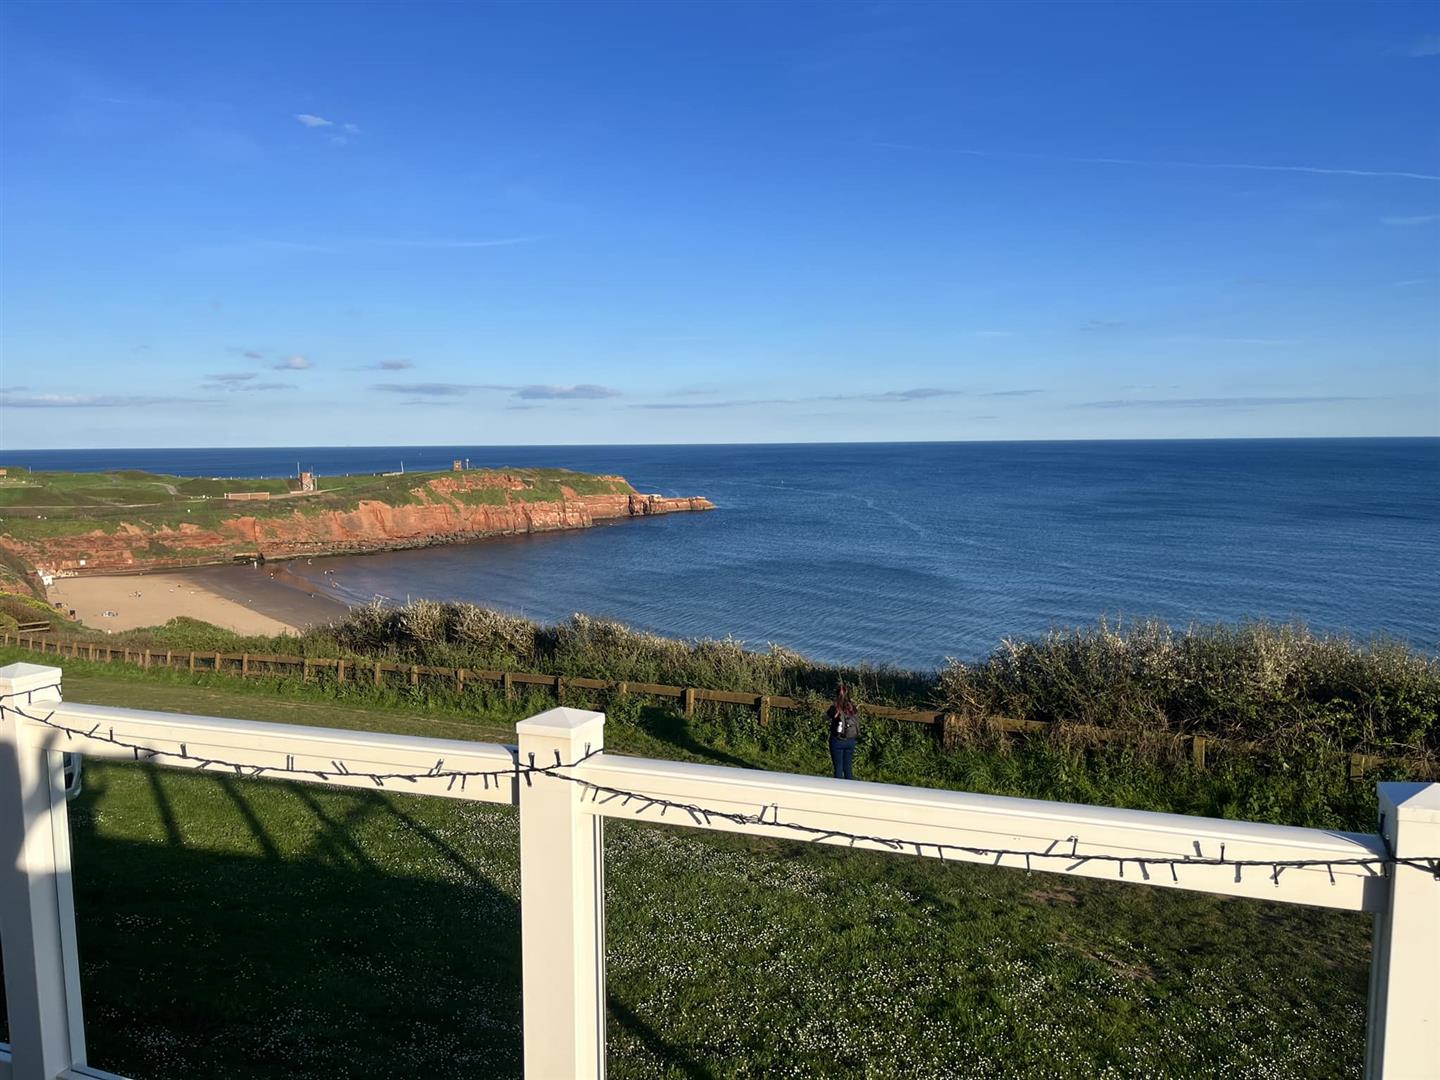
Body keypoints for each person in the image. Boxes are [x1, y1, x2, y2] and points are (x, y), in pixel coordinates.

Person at [826, 681, 860, 780]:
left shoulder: (834, 708)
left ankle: (838, 786)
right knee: (848, 768)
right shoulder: (852, 708)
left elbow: (824, 718)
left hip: (837, 740)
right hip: (851, 740)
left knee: (838, 768)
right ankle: (849, 786)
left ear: (836, 695)